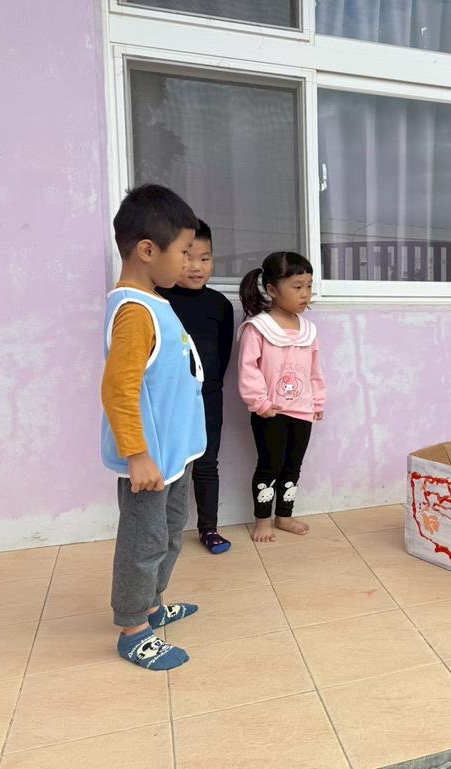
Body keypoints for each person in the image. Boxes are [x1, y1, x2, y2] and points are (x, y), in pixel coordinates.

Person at [100, 184, 205, 670]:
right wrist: (137, 454)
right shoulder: (134, 311)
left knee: (168, 534)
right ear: (147, 250)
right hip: (150, 460)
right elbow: (118, 390)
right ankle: (132, 628)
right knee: (143, 543)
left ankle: (151, 605)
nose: (189, 262)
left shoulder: (155, 301)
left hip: (174, 453)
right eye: (183, 251)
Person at [237, 251, 326, 543]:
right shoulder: (258, 328)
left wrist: (317, 401)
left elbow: (314, 370)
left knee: (293, 467)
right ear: (272, 290)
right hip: (271, 412)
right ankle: (263, 520)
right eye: (297, 287)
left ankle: (284, 516)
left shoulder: (308, 330)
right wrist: (259, 403)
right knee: (269, 466)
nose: (305, 294)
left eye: (309, 286)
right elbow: (248, 369)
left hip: (302, 412)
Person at [158, 219, 235, 554]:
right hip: (169, 398)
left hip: (208, 396)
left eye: (205, 258)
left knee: (207, 461)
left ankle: (209, 528)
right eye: (187, 257)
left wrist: (209, 389)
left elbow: (223, 354)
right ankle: (161, 529)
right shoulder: (159, 300)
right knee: (169, 462)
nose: (196, 267)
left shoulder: (220, 305)